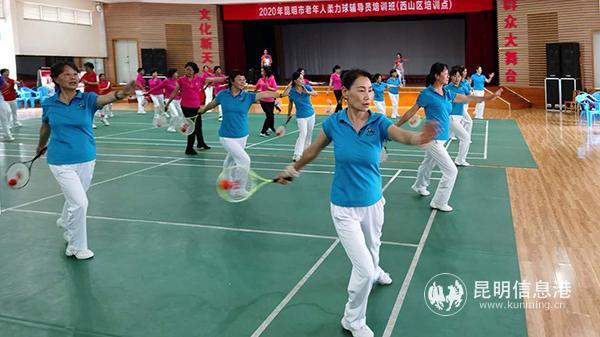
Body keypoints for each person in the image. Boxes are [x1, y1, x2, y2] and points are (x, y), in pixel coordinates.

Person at [274, 69, 436, 337]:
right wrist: (292, 170)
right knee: (363, 270)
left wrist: (419, 138)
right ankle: (353, 319)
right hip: (344, 206)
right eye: (361, 90)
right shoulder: (334, 123)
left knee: (374, 246)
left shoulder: (379, 122)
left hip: (373, 202)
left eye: (370, 90)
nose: (368, 95)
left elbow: (402, 135)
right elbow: (313, 149)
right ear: (346, 93)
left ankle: (377, 267)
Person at [36, 62, 136, 259]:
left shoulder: (87, 99)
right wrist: (40, 145)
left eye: (75, 74)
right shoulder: (49, 103)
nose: (73, 78)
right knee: (80, 203)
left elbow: (105, 99)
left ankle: (65, 220)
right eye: (67, 74)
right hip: (60, 160)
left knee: (76, 198)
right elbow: (45, 127)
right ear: (56, 79)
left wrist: (122, 93)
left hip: (86, 158)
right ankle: (76, 247)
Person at [398, 63, 502, 211]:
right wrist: (395, 127)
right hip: (432, 138)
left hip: (441, 137)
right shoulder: (426, 94)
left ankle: (419, 185)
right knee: (451, 171)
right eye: (446, 74)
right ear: (436, 75)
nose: (448, 76)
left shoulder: (447, 93)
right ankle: (439, 202)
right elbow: (411, 111)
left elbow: (467, 98)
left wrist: (488, 98)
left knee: (428, 163)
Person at [198, 69, 290, 196]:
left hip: (242, 135)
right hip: (226, 136)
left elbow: (264, 94)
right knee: (245, 160)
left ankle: (225, 178)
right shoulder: (222, 95)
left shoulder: (247, 96)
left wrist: (281, 95)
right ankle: (238, 188)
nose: (243, 82)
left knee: (231, 159)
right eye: (239, 80)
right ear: (232, 81)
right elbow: (211, 104)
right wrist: (202, 110)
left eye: (244, 80)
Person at [165, 62, 225, 154]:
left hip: (197, 106)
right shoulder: (181, 80)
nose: (187, 71)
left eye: (190, 69)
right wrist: (168, 103)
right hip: (186, 106)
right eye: (186, 69)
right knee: (191, 127)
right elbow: (175, 92)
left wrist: (225, 78)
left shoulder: (199, 79)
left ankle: (200, 143)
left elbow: (212, 78)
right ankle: (189, 148)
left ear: (194, 71)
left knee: (198, 126)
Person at [445, 66, 472, 166]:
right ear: (451, 77)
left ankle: (432, 157)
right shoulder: (446, 88)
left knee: (442, 139)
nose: (457, 78)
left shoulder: (463, 87)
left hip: (459, 116)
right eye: (455, 76)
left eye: (459, 76)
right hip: (451, 117)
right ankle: (460, 160)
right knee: (465, 138)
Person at [288, 71, 317, 162]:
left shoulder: (307, 87)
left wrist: (307, 92)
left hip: (311, 115)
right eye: (300, 79)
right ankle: (297, 154)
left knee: (309, 134)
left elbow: (315, 93)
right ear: (295, 81)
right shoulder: (292, 91)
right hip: (301, 116)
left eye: (302, 78)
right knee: (303, 134)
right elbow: (290, 103)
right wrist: (288, 114)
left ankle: (306, 153)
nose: (302, 80)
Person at [155, 68, 184, 132]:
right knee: (175, 115)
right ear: (172, 74)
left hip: (178, 100)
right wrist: (148, 93)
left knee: (181, 114)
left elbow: (181, 90)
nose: (177, 74)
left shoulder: (178, 81)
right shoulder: (166, 81)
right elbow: (158, 87)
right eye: (175, 73)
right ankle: (171, 127)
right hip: (169, 99)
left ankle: (180, 126)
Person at [255, 66, 278, 136]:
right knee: (269, 115)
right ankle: (263, 131)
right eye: (261, 71)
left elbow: (275, 88)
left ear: (266, 72)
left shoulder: (271, 78)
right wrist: (257, 92)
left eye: (263, 71)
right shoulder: (260, 80)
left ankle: (271, 127)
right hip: (263, 100)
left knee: (271, 114)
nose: (262, 73)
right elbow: (256, 88)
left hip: (271, 100)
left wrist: (269, 88)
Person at [0, 76, 15, 141]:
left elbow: (7, 85)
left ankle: (6, 134)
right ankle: (8, 135)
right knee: (4, 118)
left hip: (1, 98)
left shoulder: (0, 78)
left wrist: (4, 87)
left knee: (8, 112)